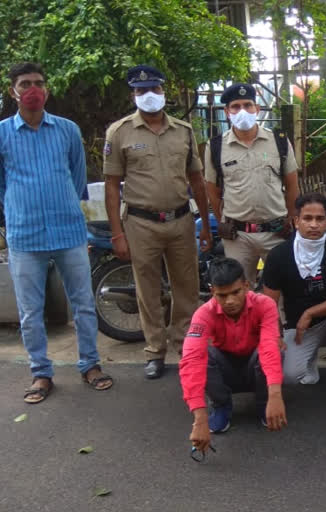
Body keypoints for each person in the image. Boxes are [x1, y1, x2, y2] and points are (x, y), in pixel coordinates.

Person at [0, 62, 113, 403]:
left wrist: (61, 203)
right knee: (30, 310)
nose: (32, 89)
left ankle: (90, 365)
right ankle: (40, 373)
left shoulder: (67, 130)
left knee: (82, 302)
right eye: (25, 83)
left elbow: (77, 177)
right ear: (12, 91)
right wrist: (15, 211)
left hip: (69, 231)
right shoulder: (2, 133)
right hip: (24, 234)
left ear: (46, 90)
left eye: (37, 83)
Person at [103, 65, 211, 380]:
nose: (149, 96)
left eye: (154, 89)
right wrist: (116, 234)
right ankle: (154, 351)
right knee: (147, 290)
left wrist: (205, 224)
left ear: (164, 91)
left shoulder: (184, 131)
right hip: (140, 222)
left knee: (187, 289)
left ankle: (186, 347)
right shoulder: (120, 132)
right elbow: (111, 185)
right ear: (133, 95)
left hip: (180, 219)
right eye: (141, 91)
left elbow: (197, 179)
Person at [262, 193, 326, 402]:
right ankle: (309, 360)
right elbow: (268, 304)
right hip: (300, 329)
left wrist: (310, 312)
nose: (314, 224)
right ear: (296, 221)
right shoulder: (279, 255)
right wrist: (276, 336)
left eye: (320, 219)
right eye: (307, 218)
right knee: (289, 377)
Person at [179, 258, 286, 452]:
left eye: (236, 292)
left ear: (246, 286)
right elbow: (191, 361)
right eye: (222, 295)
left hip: (255, 364)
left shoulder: (265, 304)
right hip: (225, 366)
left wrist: (276, 395)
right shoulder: (203, 314)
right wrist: (200, 419)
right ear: (212, 292)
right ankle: (221, 405)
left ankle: (264, 403)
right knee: (202, 355)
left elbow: (269, 347)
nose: (230, 301)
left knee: (276, 348)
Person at [204, 83, 300, 284]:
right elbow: (212, 190)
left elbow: (292, 184)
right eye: (236, 107)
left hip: (276, 233)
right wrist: (223, 219)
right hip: (238, 237)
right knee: (238, 292)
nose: (243, 111)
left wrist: (291, 218)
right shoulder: (216, 146)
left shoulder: (279, 141)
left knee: (282, 290)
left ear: (257, 109)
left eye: (248, 105)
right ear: (227, 112)